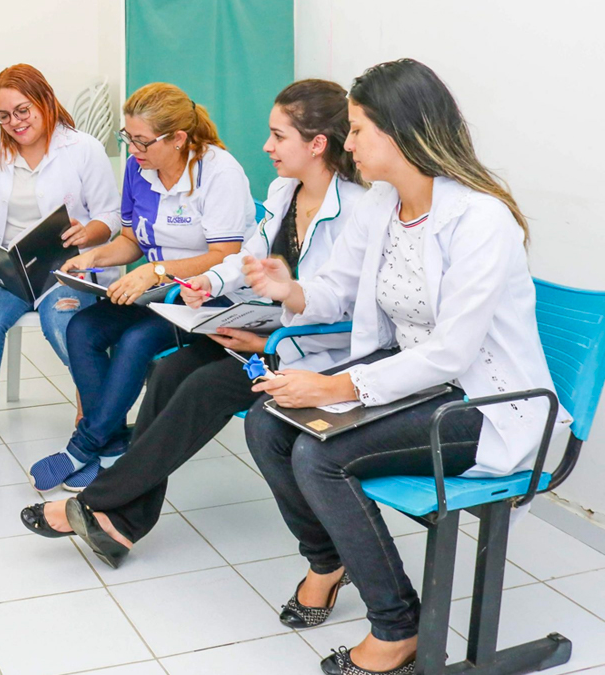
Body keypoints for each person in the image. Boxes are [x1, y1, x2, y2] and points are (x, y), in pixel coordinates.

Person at [242, 59, 571, 675]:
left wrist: (335, 385)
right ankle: (328, 561)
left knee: (320, 457)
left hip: (484, 402)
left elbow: (453, 353)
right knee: (267, 422)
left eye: (357, 129)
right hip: (413, 381)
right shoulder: (381, 205)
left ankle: (398, 629)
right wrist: (290, 289)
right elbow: (336, 289)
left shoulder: (480, 219)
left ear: (400, 131)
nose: (348, 144)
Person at [24, 80, 367, 578]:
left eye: (277, 136)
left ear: (316, 144)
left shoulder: (357, 210)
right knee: (169, 374)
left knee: (202, 386)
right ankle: (121, 524)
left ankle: (96, 502)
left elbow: (344, 310)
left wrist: (264, 338)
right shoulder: (284, 192)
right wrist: (208, 282)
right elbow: (246, 258)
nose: (266, 147)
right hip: (268, 330)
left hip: (311, 352)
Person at [29, 83, 254, 491]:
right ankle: (113, 444)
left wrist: (157, 271)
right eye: (128, 137)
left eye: (142, 141)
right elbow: (132, 241)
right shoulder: (138, 168)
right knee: (83, 328)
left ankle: (84, 446)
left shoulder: (220, 173)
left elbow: (225, 254)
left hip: (211, 295)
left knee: (136, 340)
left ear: (178, 138)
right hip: (158, 290)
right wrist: (93, 257)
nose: (133, 150)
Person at [0, 64, 121, 463]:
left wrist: (88, 233)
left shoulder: (83, 148)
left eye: (22, 110)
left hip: (66, 269)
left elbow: (111, 215)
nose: (15, 122)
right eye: (4, 115)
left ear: (45, 100)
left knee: (63, 320)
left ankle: (91, 411)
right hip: (8, 270)